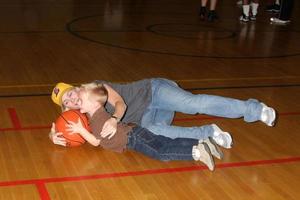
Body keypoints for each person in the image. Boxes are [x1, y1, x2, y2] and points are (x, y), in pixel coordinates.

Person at [50, 78, 276, 147]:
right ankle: (208, 133)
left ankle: (255, 109)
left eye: (69, 93)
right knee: (154, 130)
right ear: (67, 108)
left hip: (154, 91)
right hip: (148, 116)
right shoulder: (85, 117)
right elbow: (80, 135)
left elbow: (119, 103)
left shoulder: (95, 88)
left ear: (76, 89)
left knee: (192, 103)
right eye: (66, 101)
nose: (70, 99)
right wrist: (54, 137)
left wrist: (114, 119)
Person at [64, 83, 231, 171]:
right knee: (164, 142)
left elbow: (94, 141)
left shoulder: (97, 117)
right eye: (67, 103)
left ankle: (195, 152)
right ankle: (204, 143)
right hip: (134, 133)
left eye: (80, 101)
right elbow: (67, 116)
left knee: (162, 152)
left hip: (133, 139)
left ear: (93, 104)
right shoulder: (94, 112)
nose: (77, 104)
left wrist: (80, 130)